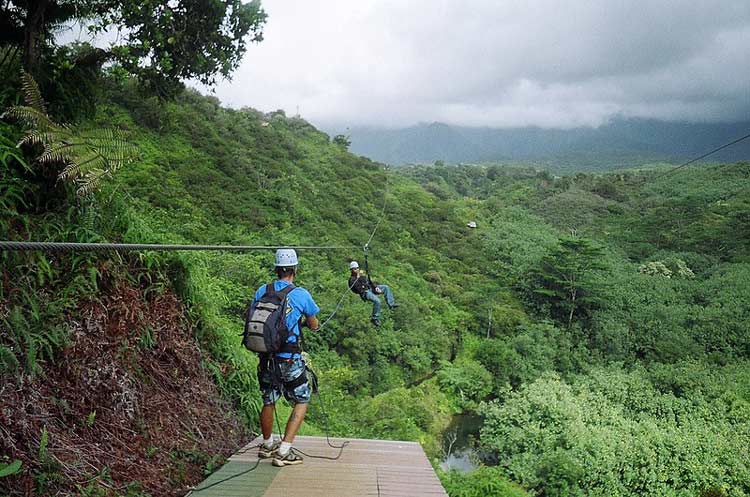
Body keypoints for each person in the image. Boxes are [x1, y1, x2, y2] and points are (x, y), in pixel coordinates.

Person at [254, 248, 320, 466]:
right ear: (294, 270)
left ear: (276, 268)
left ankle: (266, 445)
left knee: (268, 399)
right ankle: (284, 451)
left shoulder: (262, 290)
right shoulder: (301, 294)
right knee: (302, 398)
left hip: (266, 357)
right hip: (288, 359)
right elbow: (314, 324)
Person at [348, 260, 398, 327]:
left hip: (371, 288)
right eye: (355, 269)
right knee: (377, 301)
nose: (357, 270)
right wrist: (358, 278)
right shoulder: (352, 280)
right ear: (351, 270)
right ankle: (375, 318)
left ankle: (391, 304)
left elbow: (369, 282)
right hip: (365, 293)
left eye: (357, 268)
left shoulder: (362, 275)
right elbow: (358, 289)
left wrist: (375, 287)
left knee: (386, 287)